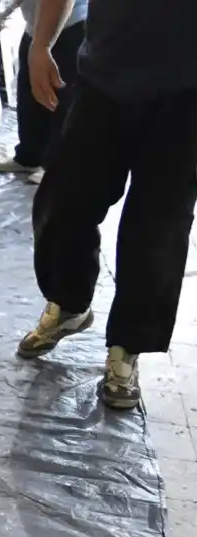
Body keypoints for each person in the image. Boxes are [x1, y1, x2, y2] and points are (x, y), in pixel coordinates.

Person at [17, 0, 197, 409]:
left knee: (158, 226)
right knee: (64, 202)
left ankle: (126, 349)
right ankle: (69, 304)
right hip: (104, 78)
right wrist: (40, 44)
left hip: (187, 95)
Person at [0, 0, 87, 184]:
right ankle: (29, 157)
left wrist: (43, 46)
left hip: (69, 26)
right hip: (35, 28)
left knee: (62, 100)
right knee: (29, 96)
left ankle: (55, 167)